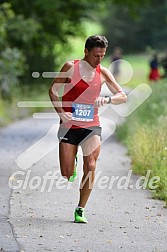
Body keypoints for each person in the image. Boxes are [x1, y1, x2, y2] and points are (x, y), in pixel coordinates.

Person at [49, 35, 127, 223]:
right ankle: (71, 164)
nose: (99, 59)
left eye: (102, 55)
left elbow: (122, 95)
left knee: (91, 165)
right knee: (67, 173)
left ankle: (80, 209)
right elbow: (53, 90)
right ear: (86, 52)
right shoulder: (70, 67)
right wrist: (61, 113)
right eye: (95, 56)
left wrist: (107, 99)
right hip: (69, 125)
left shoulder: (103, 72)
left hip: (91, 125)